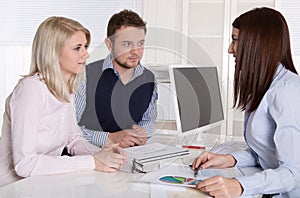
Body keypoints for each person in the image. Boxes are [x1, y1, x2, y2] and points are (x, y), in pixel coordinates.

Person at [0, 16, 127, 187]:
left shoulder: (66, 88)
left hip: (43, 184)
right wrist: (92, 162)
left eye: (85, 46)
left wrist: (102, 153)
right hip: (13, 188)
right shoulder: (31, 90)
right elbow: (25, 165)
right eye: (77, 48)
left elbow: (73, 140)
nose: (86, 54)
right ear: (53, 51)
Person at [192, 7, 300, 197]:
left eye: (235, 40)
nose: (229, 49)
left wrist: (239, 185)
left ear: (256, 44)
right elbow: (267, 155)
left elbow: (293, 173)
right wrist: (230, 159)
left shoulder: (287, 91)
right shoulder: (265, 84)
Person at [75, 9, 158, 148]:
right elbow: (70, 130)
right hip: (91, 158)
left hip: (131, 156)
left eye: (140, 43)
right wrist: (109, 138)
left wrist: (144, 132)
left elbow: (148, 120)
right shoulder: (85, 76)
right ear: (109, 44)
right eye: (127, 44)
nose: (135, 51)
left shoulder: (149, 79)